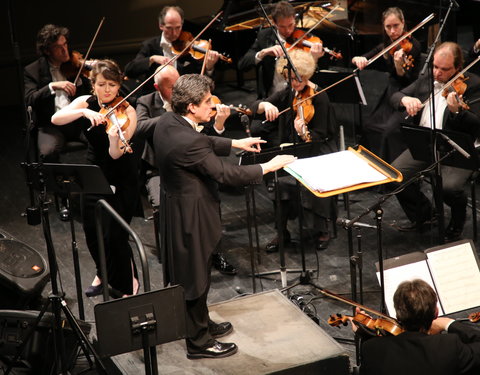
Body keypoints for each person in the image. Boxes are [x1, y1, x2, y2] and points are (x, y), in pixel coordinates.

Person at [153, 73, 295, 359]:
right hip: (191, 215)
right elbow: (226, 174)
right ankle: (199, 343)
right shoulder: (187, 140)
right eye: (207, 102)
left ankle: (200, 325)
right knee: (195, 277)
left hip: (177, 208)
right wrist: (269, 166)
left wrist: (234, 144)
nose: (213, 107)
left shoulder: (168, 121)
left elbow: (201, 141)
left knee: (196, 272)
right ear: (191, 106)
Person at [134, 64, 237, 275]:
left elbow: (205, 136)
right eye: (172, 87)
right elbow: (139, 128)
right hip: (159, 170)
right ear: (157, 87)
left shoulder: (195, 102)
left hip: (191, 163)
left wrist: (218, 125)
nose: (179, 90)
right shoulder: (146, 102)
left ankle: (213, 251)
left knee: (209, 194)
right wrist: (174, 116)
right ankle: (176, 253)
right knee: (166, 202)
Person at [52, 59, 140, 297]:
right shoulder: (85, 102)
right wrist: (83, 111)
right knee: (92, 230)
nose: (108, 89)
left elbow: (115, 154)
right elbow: (55, 119)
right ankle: (102, 272)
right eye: (102, 84)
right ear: (93, 85)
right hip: (93, 172)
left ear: (119, 84)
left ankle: (127, 282)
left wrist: (114, 139)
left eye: (112, 84)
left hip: (121, 176)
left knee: (115, 234)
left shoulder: (128, 110)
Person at [390, 42, 480, 241]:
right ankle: (425, 215)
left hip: (456, 149)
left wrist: (457, 112)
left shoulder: (473, 85)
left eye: (444, 69)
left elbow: (477, 124)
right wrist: (405, 100)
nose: (437, 73)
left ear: (458, 67)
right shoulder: (426, 80)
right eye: (435, 67)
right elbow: (396, 95)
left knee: (448, 188)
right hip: (425, 143)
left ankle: (457, 220)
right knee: (395, 176)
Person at [252, 49, 338, 251]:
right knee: (276, 179)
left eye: (297, 79)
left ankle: (322, 228)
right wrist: (264, 105)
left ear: (307, 75)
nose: (294, 83)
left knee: (314, 178)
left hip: (318, 150)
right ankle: (282, 233)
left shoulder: (320, 97)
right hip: (294, 149)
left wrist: (303, 133)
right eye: (289, 79)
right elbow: (255, 105)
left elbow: (322, 134)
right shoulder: (288, 93)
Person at [358, 279, 480, 374]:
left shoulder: (372, 349)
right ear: (436, 313)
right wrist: (447, 323)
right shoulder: (449, 346)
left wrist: (363, 332)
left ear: (397, 315)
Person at [351, 7, 421, 162]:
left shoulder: (413, 46)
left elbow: (405, 80)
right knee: (369, 125)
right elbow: (366, 57)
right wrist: (358, 59)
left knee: (387, 132)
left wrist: (398, 67)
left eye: (396, 25)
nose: (392, 31)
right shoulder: (387, 44)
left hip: (407, 94)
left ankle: (391, 167)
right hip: (390, 93)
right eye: (388, 27)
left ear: (403, 23)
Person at [24, 24, 91, 163]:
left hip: (78, 121)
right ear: (47, 51)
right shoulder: (33, 70)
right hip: (51, 126)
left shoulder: (74, 65)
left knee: (102, 139)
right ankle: (57, 183)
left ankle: (98, 180)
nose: (64, 50)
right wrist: (52, 86)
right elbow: (30, 99)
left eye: (65, 44)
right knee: (48, 152)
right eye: (58, 47)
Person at [124, 5, 221, 96]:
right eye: (169, 28)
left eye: (178, 28)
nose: (174, 33)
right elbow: (129, 70)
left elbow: (202, 82)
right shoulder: (150, 46)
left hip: (185, 97)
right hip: (157, 97)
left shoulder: (191, 46)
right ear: (161, 25)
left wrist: (209, 68)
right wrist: (152, 59)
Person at [238, 1, 324, 98]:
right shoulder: (264, 36)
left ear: (294, 20)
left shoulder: (306, 39)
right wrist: (263, 53)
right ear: (274, 23)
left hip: (299, 97)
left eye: (290, 25)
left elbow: (314, 78)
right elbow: (243, 65)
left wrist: (314, 58)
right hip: (272, 96)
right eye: (282, 26)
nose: (287, 30)